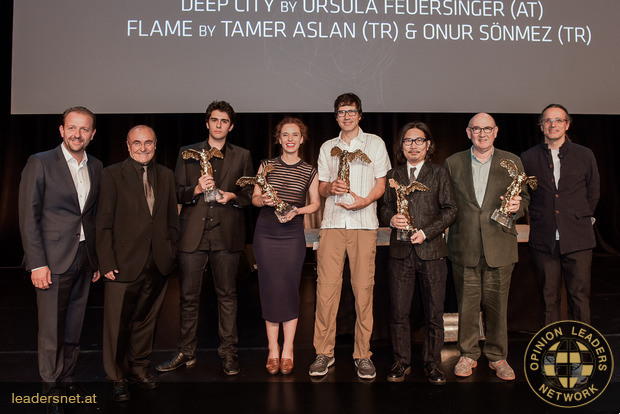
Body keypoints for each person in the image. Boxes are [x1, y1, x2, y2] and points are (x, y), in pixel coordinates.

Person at [156, 101, 254, 375]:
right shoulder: (187, 153)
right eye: (214, 120)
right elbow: (176, 192)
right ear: (207, 123)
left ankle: (228, 353)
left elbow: (249, 195)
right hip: (192, 236)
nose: (219, 124)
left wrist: (232, 195)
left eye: (224, 121)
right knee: (188, 298)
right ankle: (186, 352)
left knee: (227, 296)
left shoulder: (242, 155)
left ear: (231, 126)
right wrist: (196, 189)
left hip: (227, 235)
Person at [18, 106, 102, 411]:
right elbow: (29, 217)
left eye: (83, 129)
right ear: (61, 130)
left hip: (83, 259)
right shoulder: (40, 163)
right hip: (51, 261)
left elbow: (91, 216)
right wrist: (37, 263)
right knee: (51, 329)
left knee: (74, 327)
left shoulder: (96, 166)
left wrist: (97, 259)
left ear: (92, 134)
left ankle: (67, 379)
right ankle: (50, 386)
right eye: (71, 128)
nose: (77, 134)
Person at [309, 93, 391, 380]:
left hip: (363, 224)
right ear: (335, 116)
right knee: (326, 292)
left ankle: (362, 355)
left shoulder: (375, 143)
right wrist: (330, 188)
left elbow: (381, 184)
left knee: (363, 291)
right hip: (332, 224)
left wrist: (364, 201)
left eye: (351, 111)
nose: (346, 116)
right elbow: (320, 187)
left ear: (360, 115)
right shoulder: (327, 147)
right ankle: (324, 353)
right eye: (341, 112)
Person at [96, 126, 179, 401]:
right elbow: (103, 223)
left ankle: (139, 369)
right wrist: (105, 260)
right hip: (122, 263)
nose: (143, 148)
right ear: (127, 145)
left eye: (148, 143)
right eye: (137, 143)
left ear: (156, 144)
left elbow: (171, 220)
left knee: (147, 320)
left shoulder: (167, 175)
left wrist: (170, 251)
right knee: (117, 324)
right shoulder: (111, 174)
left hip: (158, 261)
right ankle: (117, 375)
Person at [444, 112, 528, 381]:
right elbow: (444, 200)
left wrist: (517, 207)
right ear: (468, 132)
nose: (482, 133)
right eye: (476, 129)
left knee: (497, 305)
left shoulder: (512, 161)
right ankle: (468, 354)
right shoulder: (453, 162)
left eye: (487, 129)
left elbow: (524, 198)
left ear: (496, 131)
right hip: (464, 244)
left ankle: (497, 356)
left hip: (499, 245)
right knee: (466, 305)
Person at [381, 122, 458, 384]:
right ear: (401, 146)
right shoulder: (393, 173)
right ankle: (401, 361)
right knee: (399, 312)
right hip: (400, 253)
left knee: (434, 313)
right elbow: (384, 208)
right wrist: (392, 219)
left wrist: (426, 232)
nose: (413, 145)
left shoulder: (439, 173)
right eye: (408, 141)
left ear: (428, 144)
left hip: (432, 251)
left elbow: (451, 210)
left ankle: (433, 363)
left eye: (418, 140)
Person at [252, 117, 320, 375]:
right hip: (267, 231)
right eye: (285, 135)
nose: (290, 139)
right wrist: (264, 201)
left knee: (290, 287)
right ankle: (273, 350)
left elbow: (315, 203)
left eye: (295, 135)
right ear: (278, 139)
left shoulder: (309, 170)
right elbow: (255, 198)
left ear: (301, 139)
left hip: (292, 233)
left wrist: (296, 210)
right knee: (269, 287)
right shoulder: (266, 165)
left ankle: (288, 349)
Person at [521, 104, 600, 324]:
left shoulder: (585, 155)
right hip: (544, 238)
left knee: (579, 297)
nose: (553, 124)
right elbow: (525, 195)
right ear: (541, 126)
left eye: (558, 120)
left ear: (567, 124)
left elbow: (593, 192)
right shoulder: (527, 158)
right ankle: (552, 351)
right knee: (548, 298)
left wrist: (579, 219)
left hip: (579, 239)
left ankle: (582, 349)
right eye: (548, 120)